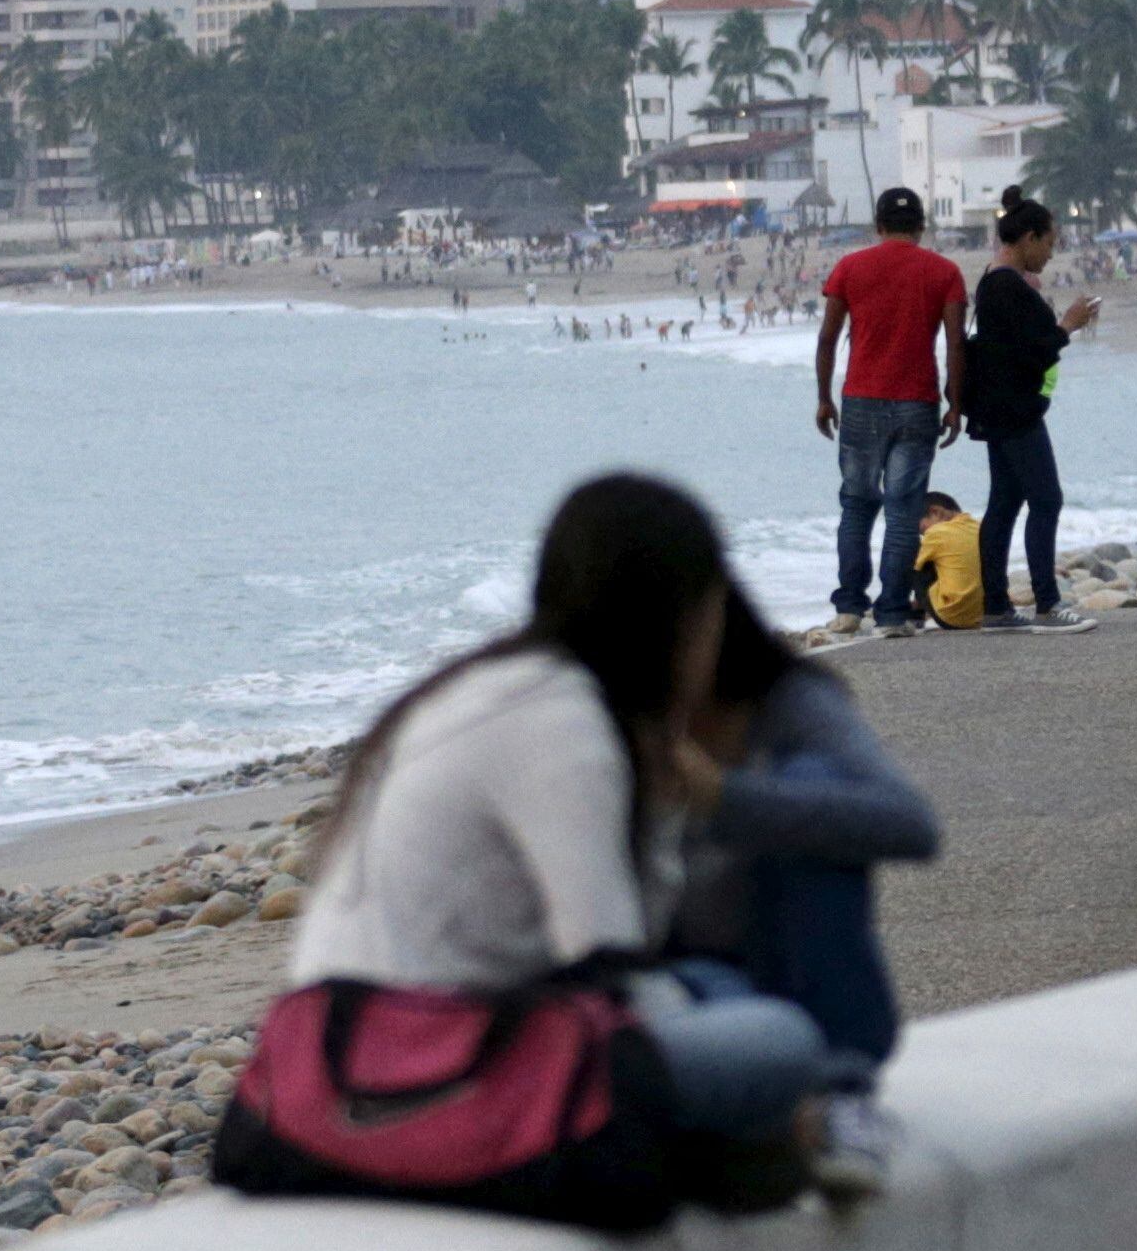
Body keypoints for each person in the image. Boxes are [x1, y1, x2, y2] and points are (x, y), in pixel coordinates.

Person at [282, 475, 851, 1191]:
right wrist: (674, 804)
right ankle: (761, 1142)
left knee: (714, 988)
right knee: (780, 1042)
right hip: (427, 1070)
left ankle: (753, 1136)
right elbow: (608, 961)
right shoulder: (565, 724)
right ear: (682, 616)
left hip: (353, 1048)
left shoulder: (494, 685)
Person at [665, 591, 943, 1198]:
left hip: (788, 969)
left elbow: (911, 825)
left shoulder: (789, 703)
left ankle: (842, 1096)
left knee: (814, 783)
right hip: (680, 983)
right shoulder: (602, 714)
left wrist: (723, 799)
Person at [812, 186, 968, 636]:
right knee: (903, 511)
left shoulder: (850, 267)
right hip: (917, 403)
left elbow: (827, 338)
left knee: (858, 505)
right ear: (921, 226)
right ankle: (893, 613)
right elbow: (955, 342)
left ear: (878, 226)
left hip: (860, 400)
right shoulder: (945, 272)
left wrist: (824, 397)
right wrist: (956, 402)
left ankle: (848, 607)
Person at [966, 194, 1096, 630]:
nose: (1052, 252)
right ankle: (1046, 603)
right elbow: (1028, 354)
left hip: (1000, 408)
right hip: (1015, 410)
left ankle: (996, 605)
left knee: (1004, 502)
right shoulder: (1006, 285)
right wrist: (1067, 326)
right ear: (1028, 238)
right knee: (1046, 499)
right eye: (1049, 242)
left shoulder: (996, 280)